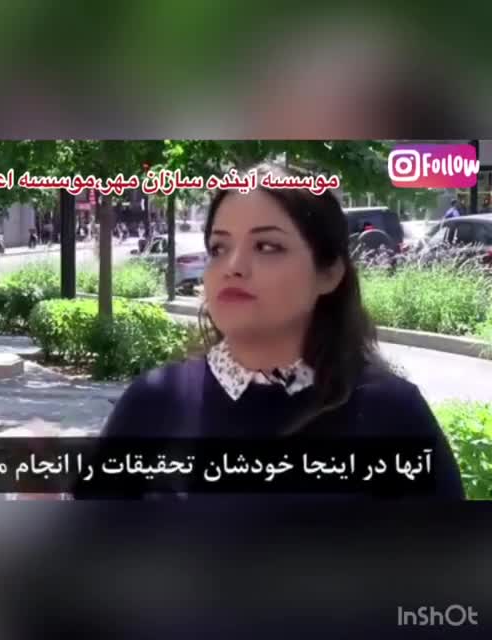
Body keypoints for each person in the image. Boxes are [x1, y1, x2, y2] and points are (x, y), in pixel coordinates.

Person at [85, 162, 464, 500]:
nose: (233, 266)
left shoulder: (392, 413)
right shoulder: (153, 403)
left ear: (329, 273)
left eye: (267, 246)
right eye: (218, 248)